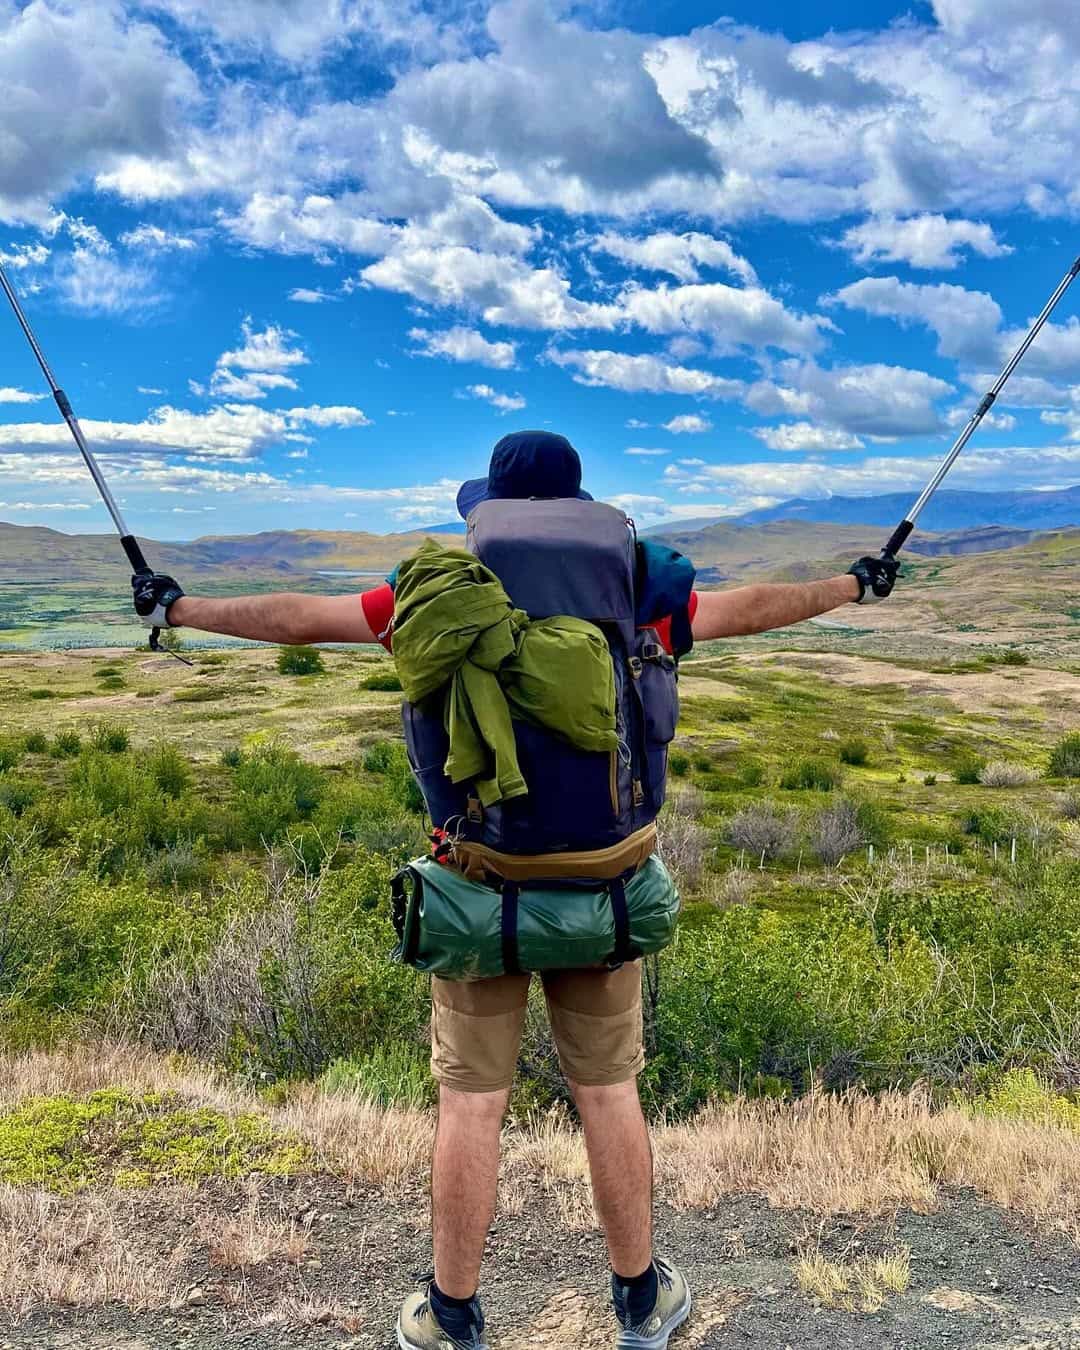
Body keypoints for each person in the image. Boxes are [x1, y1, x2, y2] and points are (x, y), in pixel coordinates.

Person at [132, 431, 899, 1350]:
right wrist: (855, 583)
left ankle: (451, 1317)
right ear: (578, 505)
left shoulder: (437, 597)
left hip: (476, 887)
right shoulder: (642, 591)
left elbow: (298, 619)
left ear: (489, 507)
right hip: (607, 888)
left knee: (471, 1102)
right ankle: (642, 1305)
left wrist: (181, 607)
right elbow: (758, 608)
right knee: (609, 1093)